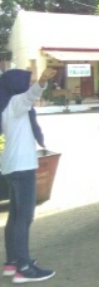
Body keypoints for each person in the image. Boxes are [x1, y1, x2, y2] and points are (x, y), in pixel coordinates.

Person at [0, 67, 57, 283]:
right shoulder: (15, 103)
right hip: (21, 167)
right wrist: (41, 81)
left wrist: (38, 82)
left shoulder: (5, 105)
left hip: (11, 166)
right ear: (15, 85)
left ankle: (12, 262)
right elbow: (30, 96)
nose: (28, 84)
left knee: (15, 216)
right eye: (26, 81)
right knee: (24, 217)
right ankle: (23, 268)